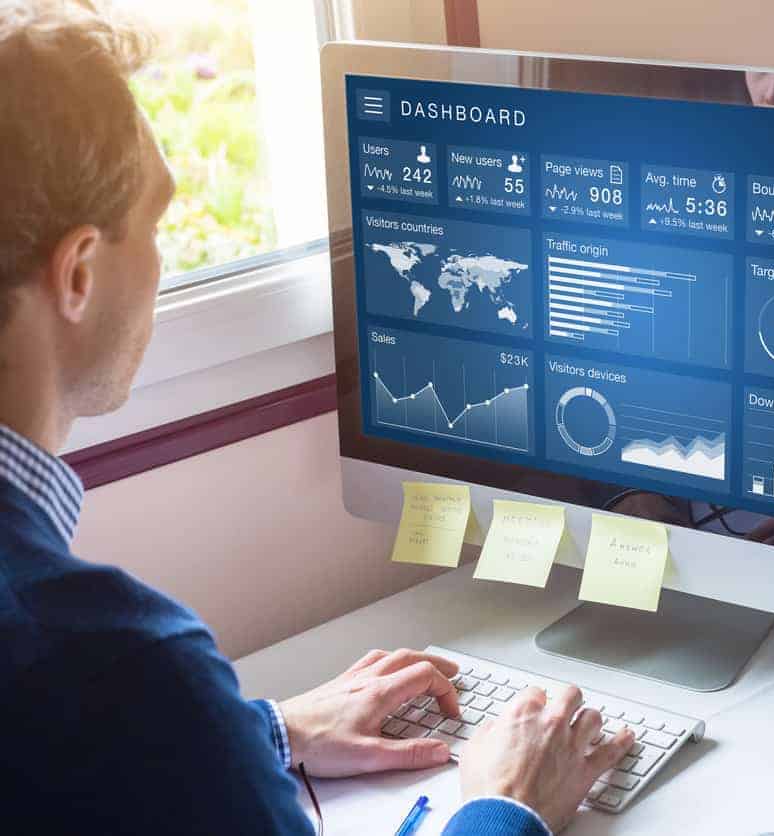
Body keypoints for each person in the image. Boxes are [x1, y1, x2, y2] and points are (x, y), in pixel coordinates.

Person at [0, 3, 634, 834]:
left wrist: (254, 734)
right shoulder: (120, 667)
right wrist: (501, 805)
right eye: (155, 223)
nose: (163, 262)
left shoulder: (115, 695)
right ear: (77, 271)